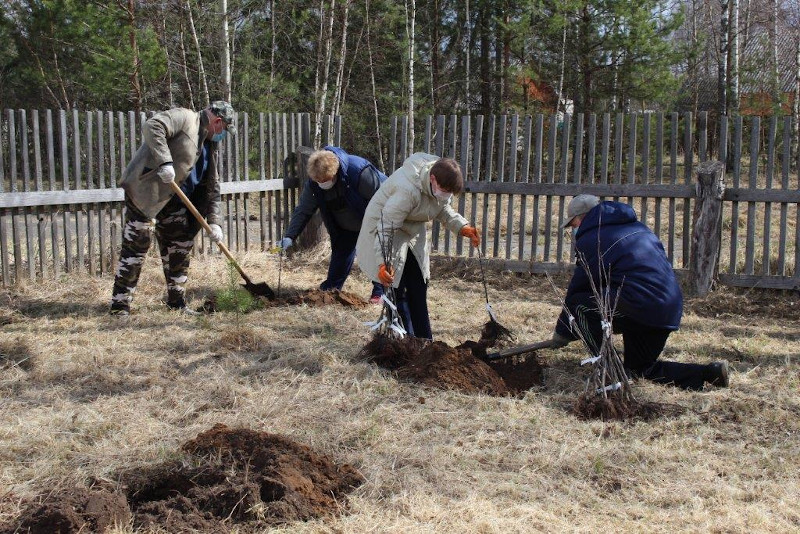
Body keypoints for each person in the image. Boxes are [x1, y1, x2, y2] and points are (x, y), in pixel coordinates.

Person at [550, 194, 730, 390]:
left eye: (573, 223)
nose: (573, 229)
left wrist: (563, 332)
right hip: (665, 307)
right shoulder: (639, 228)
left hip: (637, 305)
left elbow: (580, 286)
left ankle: (608, 368)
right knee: (640, 369)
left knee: (579, 306)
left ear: (582, 217)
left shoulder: (593, 238)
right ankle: (709, 373)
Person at [109, 101, 235, 315]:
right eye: (224, 130)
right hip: (147, 196)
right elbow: (153, 126)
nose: (223, 135)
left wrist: (215, 222)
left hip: (176, 202)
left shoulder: (210, 145)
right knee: (136, 248)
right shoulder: (186, 118)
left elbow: (212, 187)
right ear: (218, 121)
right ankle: (120, 306)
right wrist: (164, 162)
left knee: (180, 247)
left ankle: (176, 303)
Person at [356, 153, 480, 340]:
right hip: (385, 229)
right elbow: (386, 227)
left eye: (449, 192)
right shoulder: (407, 190)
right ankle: (405, 341)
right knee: (396, 287)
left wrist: (462, 226)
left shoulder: (441, 184)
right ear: (432, 179)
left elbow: (443, 210)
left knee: (418, 284)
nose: (446, 194)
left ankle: (424, 341)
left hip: (412, 230)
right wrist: (382, 262)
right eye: (444, 190)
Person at [279, 147, 387, 303]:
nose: (321, 183)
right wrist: (290, 236)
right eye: (318, 181)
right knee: (340, 256)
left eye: (325, 180)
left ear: (335, 171)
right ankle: (330, 292)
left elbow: (382, 199)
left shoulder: (359, 172)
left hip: (372, 220)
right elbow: (303, 209)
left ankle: (380, 293)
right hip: (344, 226)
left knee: (377, 254)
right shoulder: (314, 183)